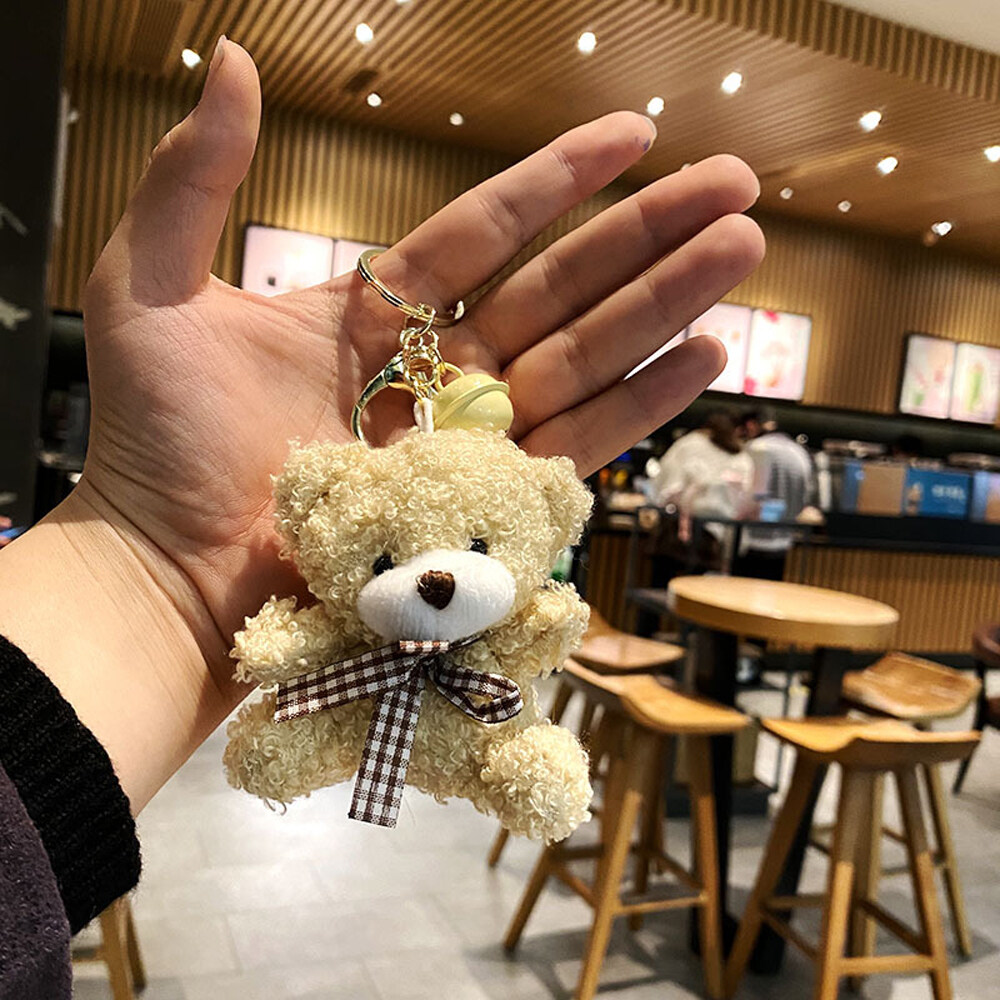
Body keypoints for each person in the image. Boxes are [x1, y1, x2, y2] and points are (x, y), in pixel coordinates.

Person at [0, 38, 763, 997]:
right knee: (286, 745)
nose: (440, 575)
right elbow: (288, 642)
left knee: (522, 762)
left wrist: (144, 564)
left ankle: (523, 767)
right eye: (392, 556)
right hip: (336, 698)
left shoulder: (512, 566)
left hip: (461, 724)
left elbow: (544, 622)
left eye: (478, 548)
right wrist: (157, 560)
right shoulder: (339, 560)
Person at [735, 405, 816, 579]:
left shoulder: (757, 448)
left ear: (751, 425)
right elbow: (808, 493)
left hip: (754, 539)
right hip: (785, 541)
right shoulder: (798, 450)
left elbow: (755, 493)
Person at [654, 411, 755, 532]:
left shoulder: (691, 442)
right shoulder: (741, 457)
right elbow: (747, 493)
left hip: (684, 521)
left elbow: (667, 481)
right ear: (737, 430)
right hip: (725, 526)